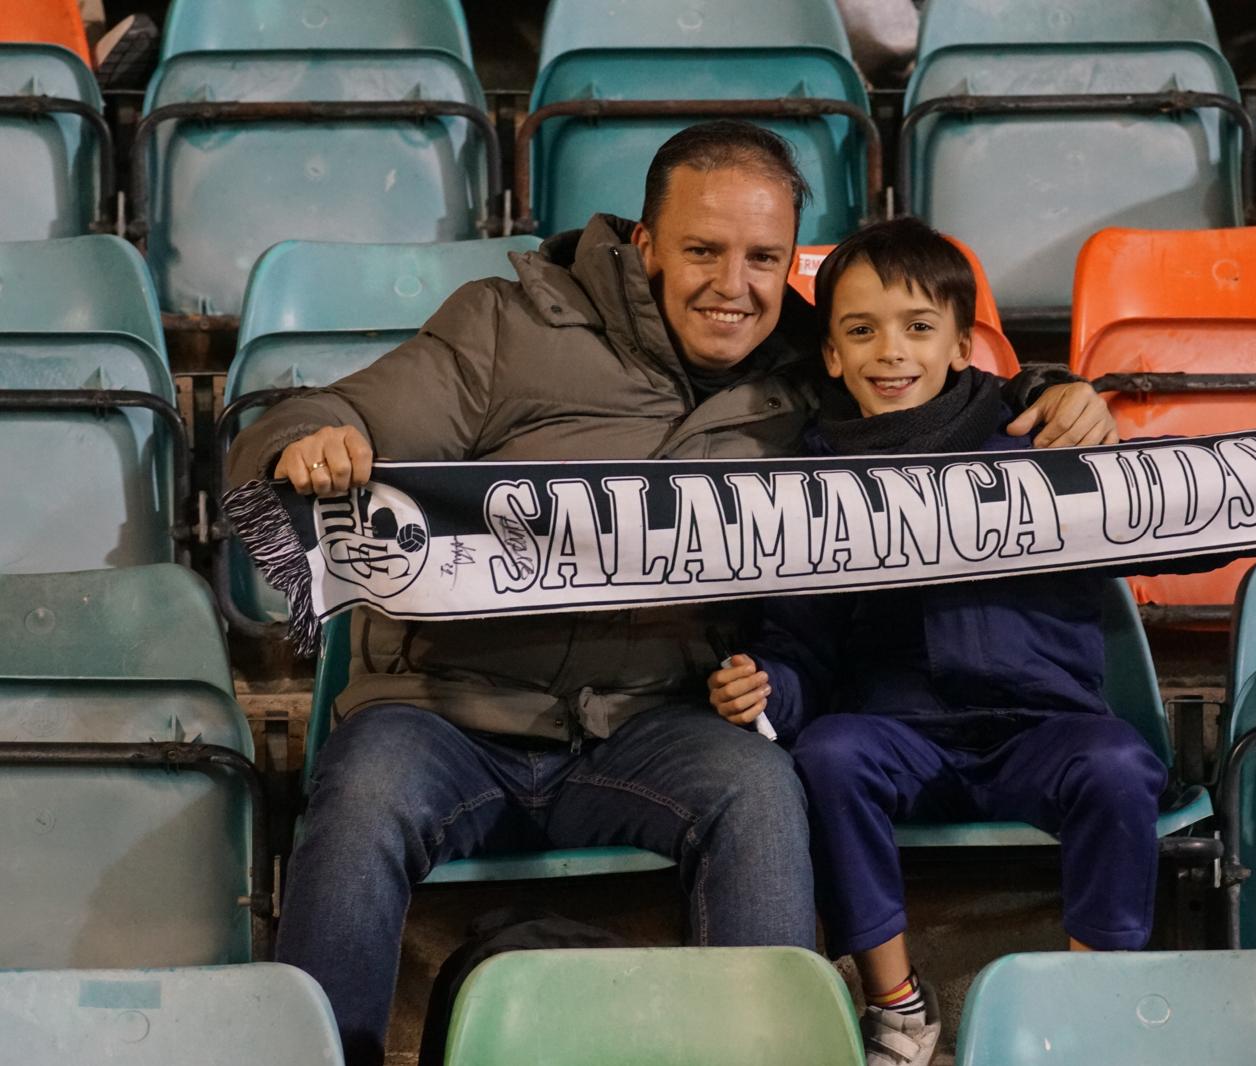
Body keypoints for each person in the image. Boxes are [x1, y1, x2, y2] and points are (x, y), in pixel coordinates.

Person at [225, 121, 1122, 1065]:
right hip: (447, 714)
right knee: (361, 792)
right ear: (645, 242)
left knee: (762, 790)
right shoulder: (504, 322)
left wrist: (1061, 391)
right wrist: (313, 436)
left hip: (661, 722)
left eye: (764, 258)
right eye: (704, 250)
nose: (734, 286)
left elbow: (944, 402)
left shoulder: (807, 362)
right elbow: (325, 415)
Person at [706, 217, 1256, 1066]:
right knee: (830, 755)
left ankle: (1087, 1003)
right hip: (896, 735)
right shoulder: (808, 485)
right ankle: (898, 1005)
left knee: (1118, 764)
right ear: (832, 356)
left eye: (918, 327)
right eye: (861, 330)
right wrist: (769, 687)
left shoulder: (1041, 436)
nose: (891, 351)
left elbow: (1195, 505)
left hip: (1043, 725)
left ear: (962, 346)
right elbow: (798, 644)